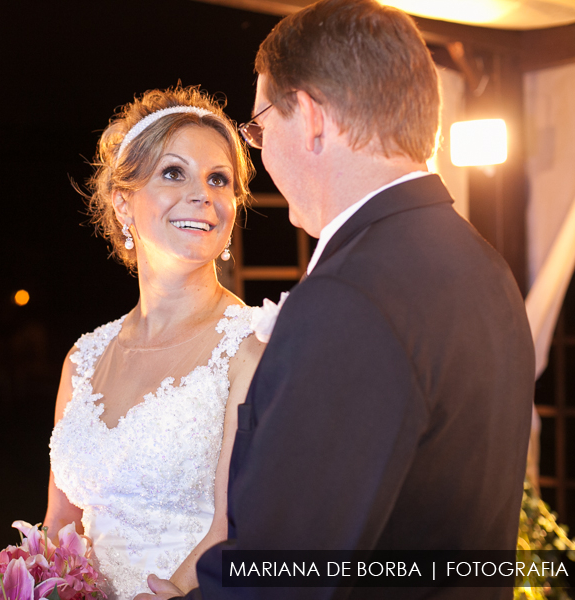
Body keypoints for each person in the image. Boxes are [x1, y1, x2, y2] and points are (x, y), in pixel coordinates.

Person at [141, 1, 535, 599]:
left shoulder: (349, 299)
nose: (261, 153)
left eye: (260, 127)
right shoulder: (484, 266)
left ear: (312, 118)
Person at [45, 86, 267, 600]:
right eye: (173, 173)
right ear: (123, 202)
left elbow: (233, 529)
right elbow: (59, 523)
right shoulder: (83, 359)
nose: (202, 194)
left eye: (219, 179)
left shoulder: (250, 347)